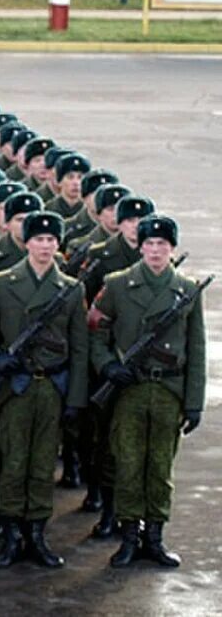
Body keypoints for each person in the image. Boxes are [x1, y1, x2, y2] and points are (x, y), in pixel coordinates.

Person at [0, 211, 88, 569]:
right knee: (13, 462)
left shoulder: (71, 288)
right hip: (15, 386)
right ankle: (11, 535)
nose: (45, 246)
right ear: (27, 241)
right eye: (39, 239)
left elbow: (80, 347)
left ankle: (36, 533)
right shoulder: (2, 283)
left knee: (41, 466)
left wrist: (76, 397)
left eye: (52, 240)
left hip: (51, 386)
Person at [89, 214, 206, 569]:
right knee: (128, 464)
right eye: (150, 244)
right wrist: (108, 365)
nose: (156, 250)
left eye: (163, 245)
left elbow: (196, 348)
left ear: (172, 248)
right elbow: (95, 331)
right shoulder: (117, 284)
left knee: (159, 468)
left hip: (169, 389)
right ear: (140, 247)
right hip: (131, 389)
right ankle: (128, 538)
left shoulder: (186, 289)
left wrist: (193, 402)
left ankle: (154, 538)